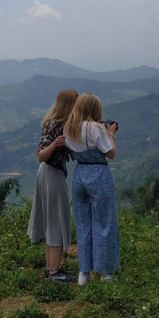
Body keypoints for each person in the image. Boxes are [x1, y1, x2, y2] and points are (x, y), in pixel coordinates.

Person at [63, 93, 119, 285]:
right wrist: (110, 134)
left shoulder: (69, 127)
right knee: (104, 223)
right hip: (99, 174)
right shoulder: (96, 128)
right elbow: (110, 153)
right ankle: (106, 272)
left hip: (80, 175)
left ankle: (83, 273)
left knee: (83, 223)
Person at [28, 89, 78, 282]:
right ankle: (55, 272)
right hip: (51, 172)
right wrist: (55, 145)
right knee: (56, 219)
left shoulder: (57, 124)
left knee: (51, 220)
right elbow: (40, 155)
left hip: (49, 172)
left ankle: (51, 268)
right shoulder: (55, 126)